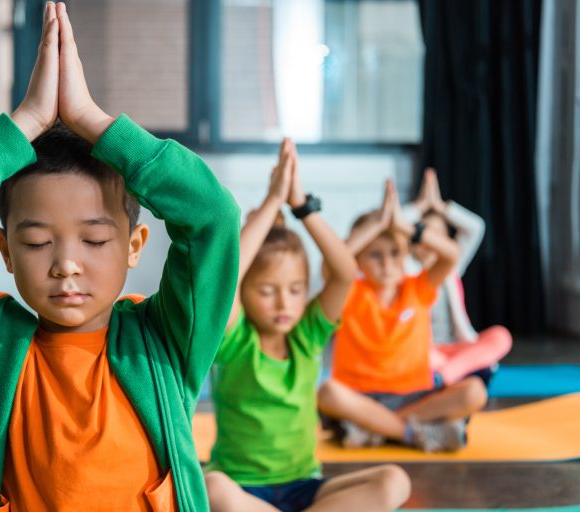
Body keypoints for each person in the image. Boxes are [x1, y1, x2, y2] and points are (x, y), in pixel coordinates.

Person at [0, 3, 239, 511]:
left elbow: (211, 217)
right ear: (5, 250)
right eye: (37, 242)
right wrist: (24, 123)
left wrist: (93, 121)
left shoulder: (165, 342)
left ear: (134, 247)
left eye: (93, 241)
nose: (66, 263)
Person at [204, 140, 411, 512]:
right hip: (243, 489)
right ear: (246, 292)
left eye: (296, 290)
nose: (285, 303)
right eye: (267, 291)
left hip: (305, 487)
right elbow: (226, 274)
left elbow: (346, 271)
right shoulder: (234, 339)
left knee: (395, 480)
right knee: (212, 487)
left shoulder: (307, 335)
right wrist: (273, 201)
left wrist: (301, 205)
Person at [317, 180, 488, 452]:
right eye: (375, 255)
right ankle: (409, 433)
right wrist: (376, 225)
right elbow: (331, 263)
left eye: (395, 254)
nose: (387, 264)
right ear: (358, 260)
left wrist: (405, 227)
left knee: (474, 391)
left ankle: (376, 428)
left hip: (413, 397)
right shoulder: (350, 291)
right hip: (360, 396)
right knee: (327, 393)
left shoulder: (417, 288)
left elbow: (450, 254)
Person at [403, 168, 512, 387]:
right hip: (426, 350)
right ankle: (462, 371)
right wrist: (420, 206)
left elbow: (476, 227)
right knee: (419, 356)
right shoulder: (407, 270)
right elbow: (393, 227)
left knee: (501, 337)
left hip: (457, 348)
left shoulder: (452, 269)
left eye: (437, 235)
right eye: (424, 234)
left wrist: (441, 207)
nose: (430, 241)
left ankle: (446, 376)